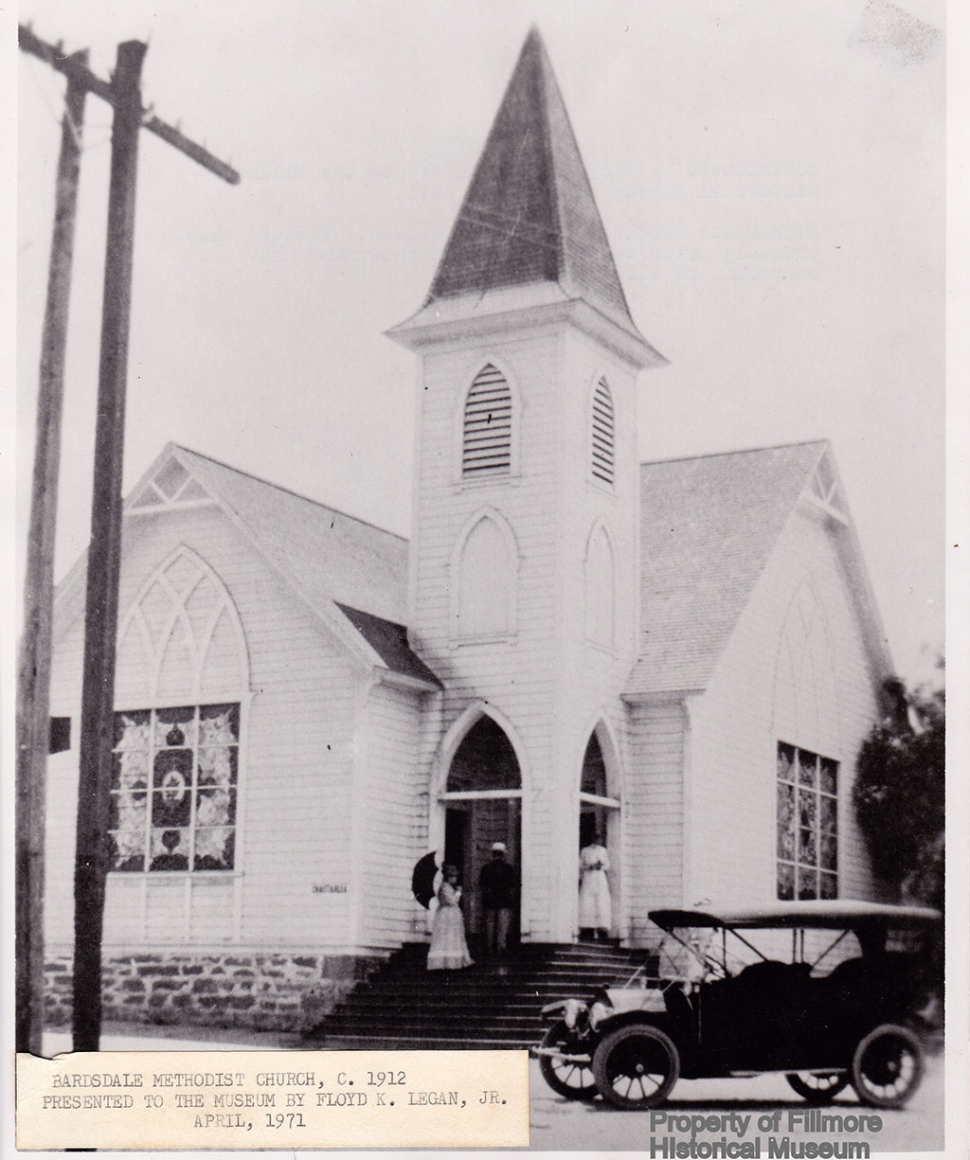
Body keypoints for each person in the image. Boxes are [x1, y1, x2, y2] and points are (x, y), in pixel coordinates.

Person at [426, 865, 473, 971]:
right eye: (454, 877)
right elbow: (451, 901)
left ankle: (451, 960)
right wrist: (458, 893)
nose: (455, 879)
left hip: (450, 914)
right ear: (449, 877)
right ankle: (444, 962)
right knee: (446, 936)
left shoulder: (448, 887)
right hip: (447, 914)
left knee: (452, 936)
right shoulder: (445, 887)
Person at [479, 842, 516, 955]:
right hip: (503, 899)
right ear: (503, 855)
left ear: (493, 854)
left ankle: (490, 947)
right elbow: (512, 885)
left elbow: (482, 884)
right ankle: (501, 947)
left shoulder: (486, 868)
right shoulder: (508, 868)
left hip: (490, 899)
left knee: (490, 923)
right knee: (502, 924)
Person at [578, 833, 611, 940]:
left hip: (599, 878)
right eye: (595, 838)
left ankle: (601, 929)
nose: (597, 840)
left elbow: (607, 866)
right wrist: (589, 866)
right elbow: (580, 865)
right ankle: (587, 928)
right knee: (587, 901)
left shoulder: (602, 850)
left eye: (599, 838)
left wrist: (600, 866)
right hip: (588, 877)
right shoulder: (585, 850)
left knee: (600, 900)